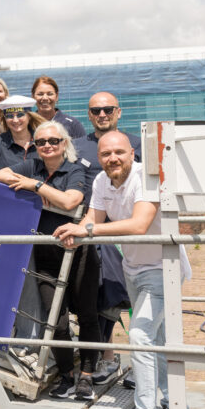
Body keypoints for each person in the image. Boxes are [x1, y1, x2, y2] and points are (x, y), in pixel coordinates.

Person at [54, 131, 191, 409]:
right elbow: (93, 219)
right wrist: (74, 233)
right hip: (133, 267)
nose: (112, 158)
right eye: (105, 154)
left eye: (119, 152)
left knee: (141, 336)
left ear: (132, 153)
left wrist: (86, 232)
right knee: (160, 339)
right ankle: (173, 404)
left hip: (162, 267)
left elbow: (140, 224)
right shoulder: (102, 181)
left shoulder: (146, 177)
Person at [0, 121, 99, 402]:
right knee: (57, 321)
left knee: (88, 315)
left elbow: (70, 201)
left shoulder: (76, 168)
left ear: (64, 143)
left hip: (79, 254)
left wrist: (35, 187)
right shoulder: (32, 166)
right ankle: (66, 375)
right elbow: (2, 173)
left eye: (53, 141)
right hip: (45, 257)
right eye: (41, 143)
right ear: (35, 147)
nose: (47, 146)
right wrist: (34, 189)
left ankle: (88, 376)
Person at [73, 91, 140, 386]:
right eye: (96, 110)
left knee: (139, 313)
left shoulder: (135, 143)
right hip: (96, 231)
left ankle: (142, 370)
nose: (102, 114)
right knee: (102, 296)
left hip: (133, 237)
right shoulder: (78, 147)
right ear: (89, 115)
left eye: (108, 109)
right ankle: (108, 357)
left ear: (118, 112)